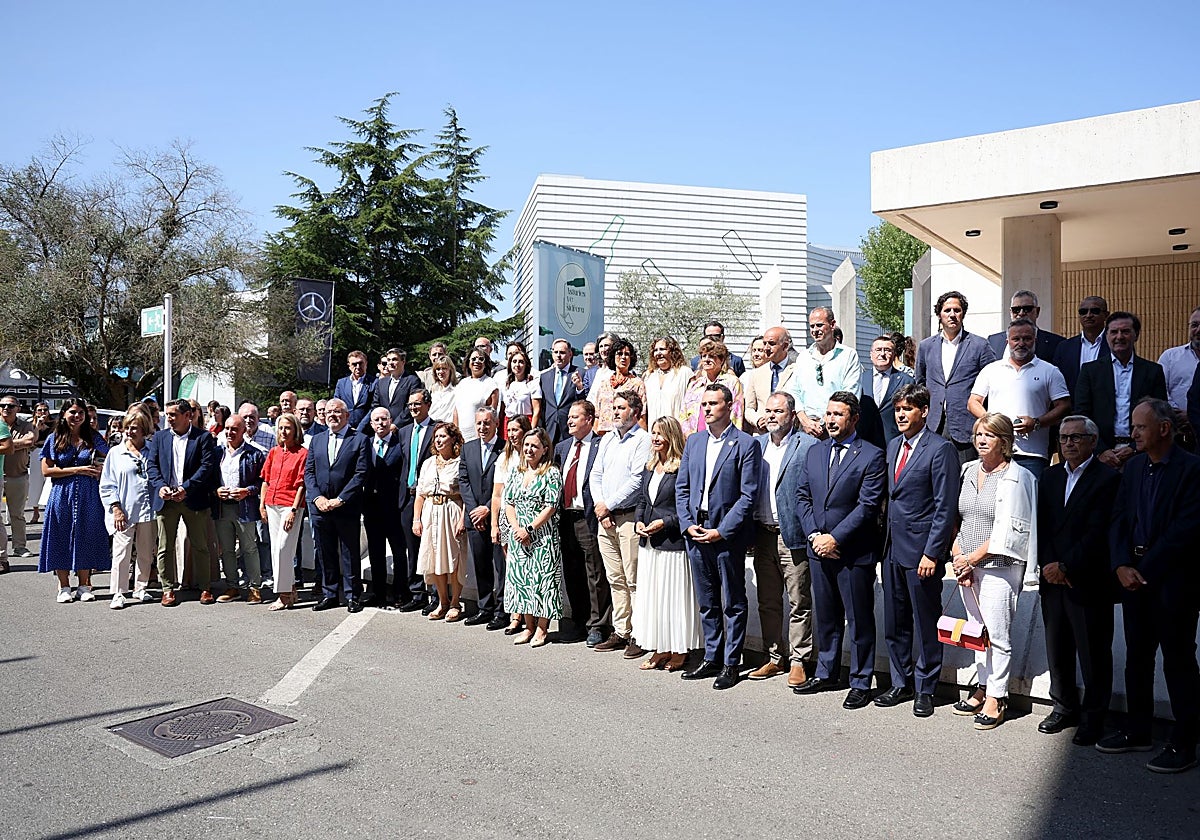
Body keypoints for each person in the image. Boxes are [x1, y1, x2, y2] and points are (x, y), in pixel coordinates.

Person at [1101, 398, 1200, 773]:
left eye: (1140, 427)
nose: (1133, 433)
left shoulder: (1192, 470)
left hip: (1173, 581)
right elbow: (1119, 519)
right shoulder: (1134, 468)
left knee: (1178, 661)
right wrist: (1121, 564)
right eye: (1133, 426)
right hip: (1133, 579)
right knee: (1137, 659)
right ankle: (1137, 730)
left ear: (1163, 429)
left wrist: (1143, 569)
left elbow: (1185, 531)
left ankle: (1185, 741)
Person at [794, 392, 887, 709]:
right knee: (827, 616)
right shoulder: (815, 452)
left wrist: (836, 539)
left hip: (853, 552)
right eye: (828, 414)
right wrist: (816, 537)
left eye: (838, 414)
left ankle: (861, 681)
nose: (831, 420)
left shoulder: (872, 455)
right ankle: (826, 672)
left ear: (854, 419)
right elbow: (802, 497)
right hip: (819, 550)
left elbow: (867, 506)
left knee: (859, 620)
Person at [948, 413, 1037, 731]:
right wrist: (958, 554)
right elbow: (956, 515)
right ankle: (982, 685)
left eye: (988, 434)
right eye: (977, 434)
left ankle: (997, 697)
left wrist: (972, 559)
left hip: (998, 568)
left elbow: (1010, 530)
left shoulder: (1019, 477)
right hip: (965, 564)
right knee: (976, 632)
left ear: (1005, 441)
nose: (981, 439)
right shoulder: (967, 470)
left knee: (997, 635)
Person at [875, 384, 960, 717]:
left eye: (907, 409)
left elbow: (944, 507)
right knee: (895, 621)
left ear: (924, 411)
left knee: (926, 623)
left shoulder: (941, 450)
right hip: (891, 548)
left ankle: (926, 688)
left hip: (921, 552)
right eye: (897, 409)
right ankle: (900, 681)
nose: (900, 415)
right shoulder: (893, 445)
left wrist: (932, 553)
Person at [1036, 414, 1120, 745]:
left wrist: (1068, 566)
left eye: (1076, 437)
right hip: (1052, 578)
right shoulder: (1050, 476)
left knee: (1093, 652)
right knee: (1058, 647)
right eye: (1064, 438)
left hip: (1087, 580)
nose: (1069, 443)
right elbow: (1041, 526)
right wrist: (1047, 564)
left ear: (1092, 441)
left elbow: (1099, 532)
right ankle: (1063, 706)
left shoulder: (1107, 479)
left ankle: (1094, 717)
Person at [676, 383, 762, 690]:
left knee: (733, 601)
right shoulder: (694, 442)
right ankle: (712, 656)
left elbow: (748, 496)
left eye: (713, 403)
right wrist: (687, 524)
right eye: (704, 405)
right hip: (695, 531)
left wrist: (722, 530)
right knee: (707, 600)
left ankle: (731, 662)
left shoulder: (745, 444)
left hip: (726, 534)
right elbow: (682, 487)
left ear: (730, 406)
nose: (707, 409)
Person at [750, 392, 817, 687]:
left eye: (778, 411)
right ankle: (775, 657)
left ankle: (799, 660)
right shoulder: (758, 445)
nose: (773, 416)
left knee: (798, 600)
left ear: (792, 415)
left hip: (792, 535)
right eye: (769, 411)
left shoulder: (809, 446)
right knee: (767, 600)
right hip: (762, 533)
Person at [632, 416, 699, 672]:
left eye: (661, 434)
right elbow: (642, 501)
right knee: (654, 598)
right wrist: (639, 522)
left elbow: (686, 507)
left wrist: (665, 523)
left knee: (673, 599)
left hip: (672, 543)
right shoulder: (650, 466)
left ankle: (679, 650)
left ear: (672, 436)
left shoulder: (682, 467)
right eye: (653, 433)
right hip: (649, 543)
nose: (656, 438)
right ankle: (660, 648)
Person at [968, 318, 1072, 479]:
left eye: (1027, 338)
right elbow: (973, 402)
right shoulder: (991, 370)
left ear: (1035, 340)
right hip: (995, 450)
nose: (1021, 343)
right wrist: (994, 424)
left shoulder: (1050, 371)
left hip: (1033, 454)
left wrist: (1037, 423)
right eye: (1016, 339)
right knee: (995, 501)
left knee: (1029, 502)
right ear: (1008, 340)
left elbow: (1064, 405)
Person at [591, 390, 652, 656]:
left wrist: (609, 504)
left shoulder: (643, 440)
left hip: (628, 518)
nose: (615, 412)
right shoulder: (607, 440)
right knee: (615, 578)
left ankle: (638, 634)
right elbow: (596, 474)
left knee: (633, 579)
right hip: (605, 519)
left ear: (635, 412)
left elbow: (637, 480)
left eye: (621, 407)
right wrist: (600, 506)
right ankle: (621, 630)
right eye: (613, 407)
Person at [145, 399, 219, 606]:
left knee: (200, 545)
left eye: (173, 415)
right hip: (166, 500)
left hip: (193, 499)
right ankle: (168, 589)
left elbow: (206, 467)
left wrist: (186, 488)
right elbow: (152, 465)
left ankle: (205, 588)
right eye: (167, 414)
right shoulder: (159, 437)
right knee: (164, 547)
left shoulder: (203, 438)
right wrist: (160, 486)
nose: (169, 418)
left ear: (188, 416)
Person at [1075, 311, 1167, 469]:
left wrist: (1133, 448)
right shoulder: (1090, 371)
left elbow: (1159, 415)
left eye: (1125, 331)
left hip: (1141, 453)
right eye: (1114, 332)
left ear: (1136, 335)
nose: (1119, 337)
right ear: (1106, 336)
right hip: (1101, 455)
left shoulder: (1153, 371)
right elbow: (1082, 413)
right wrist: (1101, 451)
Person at [38, 399, 109, 602]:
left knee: (86, 533)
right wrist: (77, 469)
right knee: (61, 534)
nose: (77, 416)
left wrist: (102, 468)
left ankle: (84, 584)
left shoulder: (93, 437)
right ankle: (64, 586)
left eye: (81, 413)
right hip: (62, 492)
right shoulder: (55, 438)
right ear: (64, 414)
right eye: (73, 412)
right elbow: (46, 470)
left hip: (88, 493)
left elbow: (112, 457)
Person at [915, 290, 997, 465]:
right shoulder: (926, 346)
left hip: (965, 425)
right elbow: (920, 383)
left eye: (957, 310)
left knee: (965, 477)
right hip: (933, 424)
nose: (952, 315)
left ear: (963, 314)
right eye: (947, 310)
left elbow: (993, 383)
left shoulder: (979, 345)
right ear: (939, 314)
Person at [554, 401, 612, 646]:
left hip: (588, 516)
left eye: (575, 417)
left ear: (589, 419)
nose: (569, 421)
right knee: (572, 571)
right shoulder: (562, 447)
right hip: (566, 517)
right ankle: (578, 621)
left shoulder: (601, 446)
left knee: (595, 573)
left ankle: (597, 625)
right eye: (569, 417)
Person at [305, 397, 371, 613]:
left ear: (347, 416)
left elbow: (361, 473)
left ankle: (353, 596)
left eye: (338, 412)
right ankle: (330, 594)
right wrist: (317, 498)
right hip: (320, 507)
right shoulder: (317, 440)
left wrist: (340, 499)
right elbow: (309, 473)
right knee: (325, 552)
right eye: (329, 412)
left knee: (350, 553)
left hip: (346, 506)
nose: (332, 415)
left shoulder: (359, 439)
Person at [503, 428, 564, 647]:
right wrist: (517, 528)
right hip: (518, 536)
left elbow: (551, 506)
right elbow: (508, 502)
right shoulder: (516, 472)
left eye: (535, 446)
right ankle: (528, 626)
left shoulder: (551, 473)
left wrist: (529, 528)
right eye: (527, 445)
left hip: (542, 535)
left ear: (544, 449)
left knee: (542, 581)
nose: (529, 449)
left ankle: (541, 628)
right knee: (522, 581)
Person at [100, 406, 157, 609]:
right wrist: (115, 508)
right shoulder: (116, 453)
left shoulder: (153, 450)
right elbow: (107, 483)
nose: (130, 432)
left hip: (148, 510)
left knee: (145, 552)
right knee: (121, 552)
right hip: (124, 510)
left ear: (144, 430)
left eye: (135, 428)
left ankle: (140, 588)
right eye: (128, 428)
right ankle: (118, 591)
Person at [414, 422, 469, 621]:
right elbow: (420, 493)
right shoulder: (428, 463)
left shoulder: (460, 462)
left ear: (453, 439)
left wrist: (463, 519)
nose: (438, 440)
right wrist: (416, 519)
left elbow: (465, 494)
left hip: (451, 510)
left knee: (454, 558)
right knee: (434, 557)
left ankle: (455, 602)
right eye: (436, 437)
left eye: (443, 436)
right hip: (431, 511)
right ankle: (442, 601)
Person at [460, 407, 508, 628]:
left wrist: (487, 508)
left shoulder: (505, 448)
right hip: (474, 518)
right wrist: (474, 510)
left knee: (501, 567)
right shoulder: (467, 448)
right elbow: (464, 481)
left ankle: (502, 611)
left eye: (487, 423)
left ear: (496, 423)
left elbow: (506, 484)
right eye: (479, 423)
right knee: (481, 566)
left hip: (497, 517)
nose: (482, 427)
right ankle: (485, 608)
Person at [212, 414, 266, 603]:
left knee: (249, 548)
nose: (230, 432)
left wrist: (247, 491)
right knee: (226, 549)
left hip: (245, 507)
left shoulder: (254, 454)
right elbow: (209, 479)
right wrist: (216, 490)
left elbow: (262, 482)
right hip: (222, 508)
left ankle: (254, 587)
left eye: (234, 429)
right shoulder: (217, 453)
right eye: (227, 428)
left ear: (244, 431)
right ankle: (232, 586)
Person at [788, 307, 863, 440]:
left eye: (819, 325)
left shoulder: (848, 355)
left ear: (832, 324)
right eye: (812, 326)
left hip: (837, 431)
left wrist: (826, 421)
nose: (815, 330)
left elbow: (851, 395)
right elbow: (794, 391)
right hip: (806, 430)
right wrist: (804, 420)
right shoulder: (804, 357)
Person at [260, 413, 307, 610]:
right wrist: (262, 504)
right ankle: (290, 587)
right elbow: (266, 480)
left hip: (290, 505)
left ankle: (284, 594)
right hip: (272, 503)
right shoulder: (274, 452)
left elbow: (301, 485)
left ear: (295, 430)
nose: (284, 431)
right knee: (276, 550)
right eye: (281, 428)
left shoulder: (302, 453)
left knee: (284, 548)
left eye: (288, 428)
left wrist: (294, 510)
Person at [491, 415, 532, 633]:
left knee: (527, 567)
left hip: (527, 517)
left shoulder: (532, 455)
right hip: (507, 517)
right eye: (510, 429)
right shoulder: (504, 458)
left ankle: (529, 614)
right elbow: (497, 494)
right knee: (511, 568)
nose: (513, 434)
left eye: (517, 429)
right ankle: (515, 615)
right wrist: (494, 525)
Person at [361, 407, 406, 608]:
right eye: (376, 420)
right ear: (371, 424)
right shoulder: (366, 444)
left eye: (384, 419)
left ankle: (400, 593)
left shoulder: (400, 445)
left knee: (398, 552)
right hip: (371, 507)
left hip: (394, 507)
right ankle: (378, 593)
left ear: (390, 421)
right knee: (376, 552)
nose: (380, 423)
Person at [397, 390, 437, 612]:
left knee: (430, 546)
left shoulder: (437, 430)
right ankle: (417, 593)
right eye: (410, 405)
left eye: (417, 404)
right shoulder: (403, 432)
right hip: (407, 497)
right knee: (412, 548)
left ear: (428, 404)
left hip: (429, 497)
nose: (413, 408)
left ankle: (434, 593)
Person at [857, 335, 914, 448]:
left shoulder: (906, 381)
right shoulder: (859, 379)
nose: (882, 354)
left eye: (887, 350)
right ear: (871, 354)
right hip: (864, 443)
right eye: (878, 350)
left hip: (894, 444)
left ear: (894, 355)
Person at [679, 338, 744, 436]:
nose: (706, 360)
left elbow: (737, 413)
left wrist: (732, 437)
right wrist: (688, 435)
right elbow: (683, 413)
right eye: (703, 356)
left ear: (721, 360)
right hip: (695, 437)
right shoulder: (694, 385)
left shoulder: (732, 382)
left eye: (711, 356)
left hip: (722, 437)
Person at [0, 395, 36, 561]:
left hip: (17, 475)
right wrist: (17, 444)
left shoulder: (26, 424)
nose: (6, 408)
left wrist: (7, 445)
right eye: (2, 405)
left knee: (17, 514)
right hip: (0, 475)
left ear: (18, 408)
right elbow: (24, 442)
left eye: (11, 406)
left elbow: (30, 439)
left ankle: (19, 546)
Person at [1052, 296, 1111, 397]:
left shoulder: (1115, 346)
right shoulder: (1064, 347)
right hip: (1074, 408)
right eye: (1083, 311)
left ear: (1106, 315)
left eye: (1095, 311)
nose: (1088, 315)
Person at [986, 289, 1065, 363]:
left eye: (1027, 309)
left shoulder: (1057, 344)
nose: (1021, 313)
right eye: (1016, 310)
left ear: (1037, 311)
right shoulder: (993, 341)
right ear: (1010, 312)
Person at [743, 326, 796, 431]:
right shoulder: (756, 374)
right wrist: (757, 420)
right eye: (764, 343)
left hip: (790, 434)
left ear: (785, 346)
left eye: (771, 344)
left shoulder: (796, 370)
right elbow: (749, 408)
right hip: (763, 435)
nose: (766, 348)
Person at [591, 338, 646, 435]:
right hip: (603, 436)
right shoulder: (604, 383)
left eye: (627, 354)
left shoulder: (637, 383)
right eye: (620, 354)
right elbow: (597, 415)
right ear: (613, 356)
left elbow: (641, 416)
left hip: (626, 436)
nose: (623, 357)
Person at [360, 347, 422, 433]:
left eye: (394, 359)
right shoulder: (381, 383)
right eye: (388, 360)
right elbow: (375, 405)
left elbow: (411, 406)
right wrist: (381, 423)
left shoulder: (412, 380)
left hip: (403, 429)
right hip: (383, 429)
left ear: (403, 362)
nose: (390, 363)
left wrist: (396, 425)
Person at [538, 338, 582, 446]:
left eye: (562, 352)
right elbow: (542, 405)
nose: (558, 355)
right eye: (555, 352)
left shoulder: (580, 373)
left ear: (570, 354)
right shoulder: (544, 376)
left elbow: (584, 401)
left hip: (569, 429)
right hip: (549, 428)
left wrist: (580, 387)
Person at [1156, 305, 1200, 411]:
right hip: (1177, 424)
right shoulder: (1170, 357)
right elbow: (1160, 391)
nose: (1199, 330)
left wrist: (1194, 416)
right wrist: (1177, 413)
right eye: (1194, 325)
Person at [453, 347, 500, 444]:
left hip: (479, 438)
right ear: (468, 363)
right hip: (461, 438)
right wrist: (456, 436)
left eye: (481, 359)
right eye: (473, 359)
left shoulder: (490, 385)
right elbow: (456, 412)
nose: (477, 361)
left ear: (485, 363)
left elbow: (491, 416)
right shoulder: (462, 384)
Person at [644, 335, 691, 427]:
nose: (658, 353)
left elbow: (692, 406)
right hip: (654, 434)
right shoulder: (649, 376)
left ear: (672, 352)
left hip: (676, 432)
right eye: (655, 350)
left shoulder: (685, 373)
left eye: (662, 349)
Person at [501, 344, 543, 432]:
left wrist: (531, 430)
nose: (517, 365)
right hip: (509, 423)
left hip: (526, 423)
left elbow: (537, 410)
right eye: (514, 361)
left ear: (526, 365)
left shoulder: (532, 384)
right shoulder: (507, 384)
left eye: (521, 362)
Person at [586, 332, 619, 401]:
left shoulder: (619, 370)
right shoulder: (598, 372)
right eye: (601, 346)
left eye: (606, 345)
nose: (603, 350)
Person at [428, 357, 458, 423]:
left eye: (444, 368)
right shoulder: (433, 389)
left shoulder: (457, 389)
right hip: (432, 425)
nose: (441, 372)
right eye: (438, 369)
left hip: (447, 425)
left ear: (450, 370)